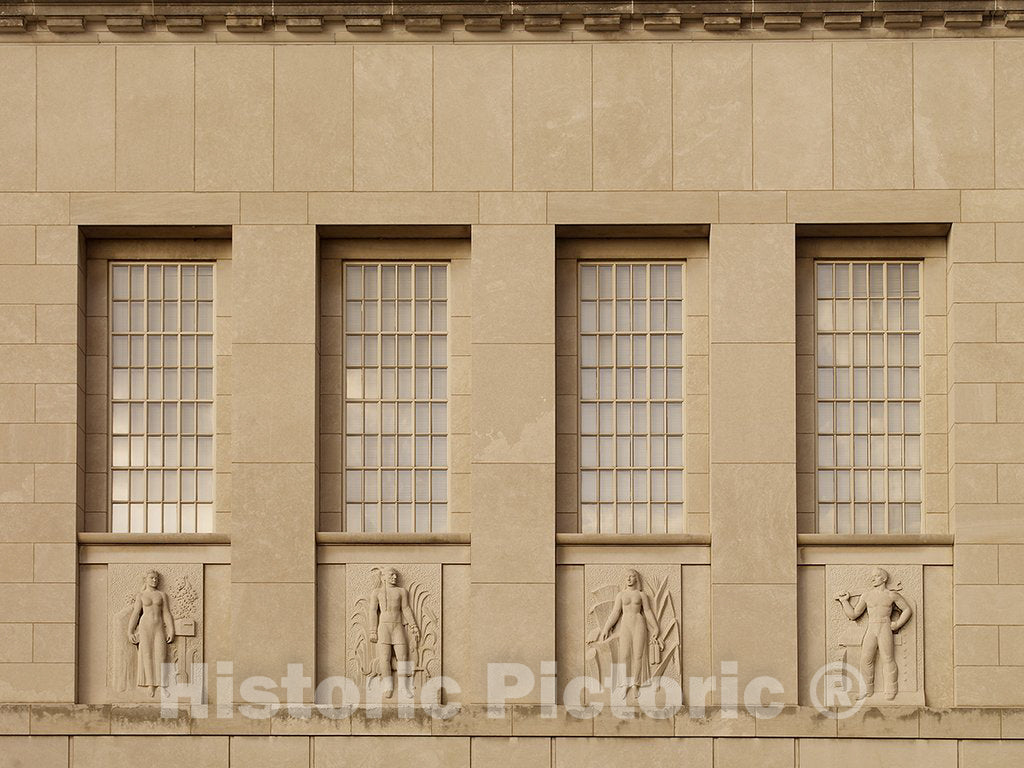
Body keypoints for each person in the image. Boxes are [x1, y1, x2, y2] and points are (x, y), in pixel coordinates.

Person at [836, 567, 913, 701]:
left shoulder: (892, 595)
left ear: (884, 578)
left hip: (884, 627)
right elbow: (854, 614)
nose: (872, 578)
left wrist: (897, 623)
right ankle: (866, 689)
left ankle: (891, 689)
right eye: (872, 576)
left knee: (887, 659)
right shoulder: (866, 595)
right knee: (866, 659)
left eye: (876, 576)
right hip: (872, 627)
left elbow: (907, 610)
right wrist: (844, 601)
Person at [597, 569, 663, 698]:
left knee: (638, 655)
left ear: (636, 579)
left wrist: (656, 628)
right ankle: (624, 684)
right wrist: (606, 628)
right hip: (625, 625)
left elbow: (648, 612)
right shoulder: (621, 595)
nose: (629, 579)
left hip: (639, 624)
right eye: (627, 577)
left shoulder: (641, 595)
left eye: (632, 576)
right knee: (624, 655)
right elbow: (615, 613)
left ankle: (635, 685)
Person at [369, 567, 420, 698]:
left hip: (397, 627)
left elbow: (406, 608)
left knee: (402, 656)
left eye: (396, 575)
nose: (395, 577)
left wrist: (413, 625)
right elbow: (373, 612)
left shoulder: (401, 591)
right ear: (383, 577)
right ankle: (388, 686)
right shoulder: (376, 592)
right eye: (392, 575)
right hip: (383, 627)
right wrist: (372, 631)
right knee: (384, 658)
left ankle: (403, 687)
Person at [127, 570, 175, 697]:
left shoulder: (162, 595)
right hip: (145, 626)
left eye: (156, 578)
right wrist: (130, 631)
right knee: (147, 655)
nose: (154, 580)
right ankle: (150, 684)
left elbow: (166, 613)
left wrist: (171, 629)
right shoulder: (141, 595)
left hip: (158, 626)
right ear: (146, 580)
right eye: (152, 578)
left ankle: (163, 684)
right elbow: (136, 614)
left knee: (161, 655)